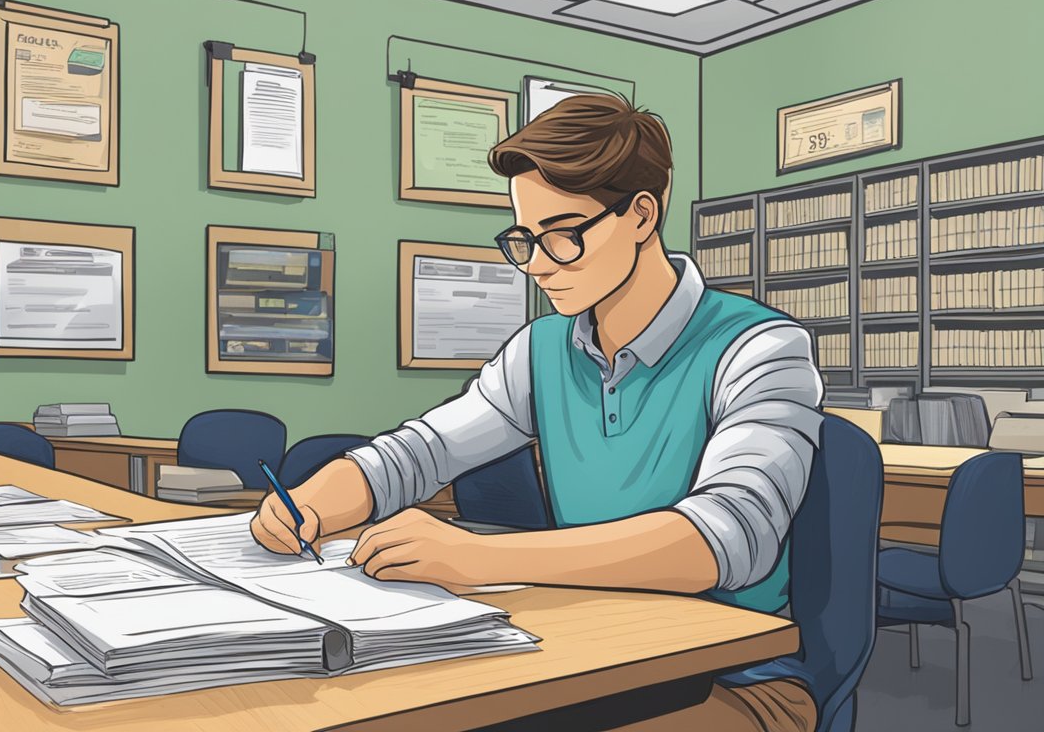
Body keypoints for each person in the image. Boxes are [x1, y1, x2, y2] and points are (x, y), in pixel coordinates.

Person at [250, 93, 823, 731]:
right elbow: (422, 453)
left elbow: (724, 540)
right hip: (579, 655)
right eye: (526, 239)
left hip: (729, 680)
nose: (540, 266)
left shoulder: (761, 348)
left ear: (641, 215)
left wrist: (481, 559)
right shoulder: (542, 349)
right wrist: (318, 499)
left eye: (564, 237)